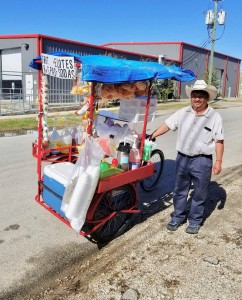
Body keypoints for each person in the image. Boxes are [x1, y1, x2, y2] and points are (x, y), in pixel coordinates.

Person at [149, 80, 224, 234]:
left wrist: (218, 161)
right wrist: (153, 135)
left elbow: (219, 140)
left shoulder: (215, 116)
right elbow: (168, 125)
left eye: (200, 96)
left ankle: (195, 220)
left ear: (207, 98)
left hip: (202, 161)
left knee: (200, 192)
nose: (197, 99)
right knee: (179, 190)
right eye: (194, 96)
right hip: (182, 158)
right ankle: (177, 217)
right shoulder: (182, 112)